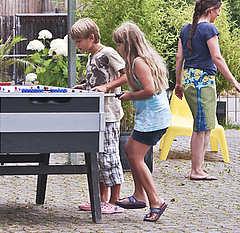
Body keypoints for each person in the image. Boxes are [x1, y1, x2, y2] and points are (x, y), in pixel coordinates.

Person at [174, 0, 240, 181]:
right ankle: (195, 170)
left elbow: (179, 58)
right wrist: (233, 81)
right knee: (200, 126)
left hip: (189, 81)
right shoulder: (209, 29)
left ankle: (201, 167)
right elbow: (217, 58)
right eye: (218, 10)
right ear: (210, 10)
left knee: (205, 126)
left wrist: (178, 83)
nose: (219, 14)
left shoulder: (186, 29)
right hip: (202, 83)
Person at [113, 22, 171, 222]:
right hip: (151, 117)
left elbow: (150, 89)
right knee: (130, 152)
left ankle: (156, 200)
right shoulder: (137, 61)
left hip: (153, 118)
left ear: (127, 44)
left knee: (135, 157)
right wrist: (108, 86)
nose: (117, 48)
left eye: (119, 45)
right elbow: (128, 79)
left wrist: (130, 96)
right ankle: (138, 196)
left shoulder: (139, 61)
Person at [70, 18, 127, 214]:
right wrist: (85, 86)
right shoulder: (92, 56)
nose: (77, 46)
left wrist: (107, 87)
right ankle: (101, 199)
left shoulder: (108, 53)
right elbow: (100, 77)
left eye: (79, 42)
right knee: (98, 156)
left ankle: (115, 200)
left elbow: (128, 74)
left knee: (110, 156)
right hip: (96, 113)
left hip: (109, 114)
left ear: (91, 37)